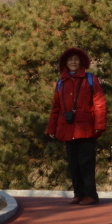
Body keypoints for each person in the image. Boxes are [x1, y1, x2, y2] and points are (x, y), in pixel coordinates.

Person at [46, 47, 107, 205]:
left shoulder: (90, 79)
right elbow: (56, 107)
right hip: (67, 128)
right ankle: (79, 194)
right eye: (70, 60)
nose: (73, 62)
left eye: (76, 59)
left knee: (86, 163)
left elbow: (99, 103)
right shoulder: (61, 82)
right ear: (65, 63)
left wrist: (99, 124)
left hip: (87, 128)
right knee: (73, 163)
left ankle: (91, 195)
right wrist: (51, 128)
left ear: (81, 62)